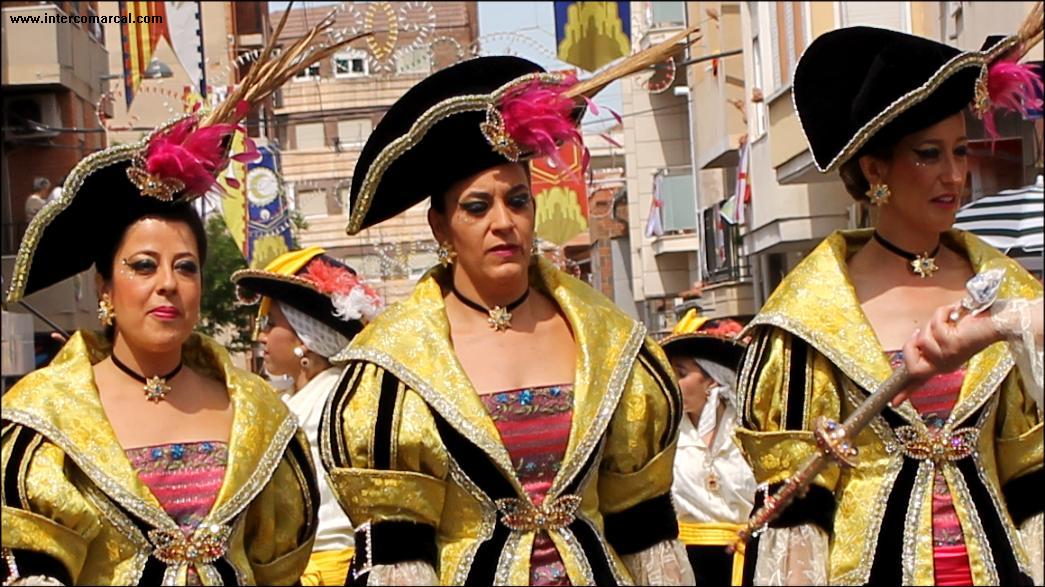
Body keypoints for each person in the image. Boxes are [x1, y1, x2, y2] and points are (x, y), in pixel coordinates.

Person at [1, 13, 369, 585]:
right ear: (105, 287)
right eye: (143, 266)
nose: (167, 283)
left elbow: (279, 565)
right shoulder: (45, 416)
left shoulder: (258, 413)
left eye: (186, 267)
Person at [320, 53, 698, 586]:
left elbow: (644, 526)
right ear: (440, 227)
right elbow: (400, 558)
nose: (504, 223)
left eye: (518, 201)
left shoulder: (609, 341)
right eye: (477, 207)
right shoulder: (393, 370)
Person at [734, 25, 1043, 586]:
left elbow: (1032, 474)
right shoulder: (807, 318)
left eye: (961, 150)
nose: (955, 175)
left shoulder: (1011, 292)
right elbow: (798, 520)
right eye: (929, 155)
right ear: (875, 171)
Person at [231, 247, 384, 586]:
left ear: (306, 337)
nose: (260, 337)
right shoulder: (287, 398)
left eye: (271, 324)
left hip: (336, 573)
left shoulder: (338, 397)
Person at [660, 319, 757, 586]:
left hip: (744, 559)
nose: (672, 382)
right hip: (685, 565)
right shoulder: (666, 434)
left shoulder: (747, 431)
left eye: (681, 373)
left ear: (712, 380)